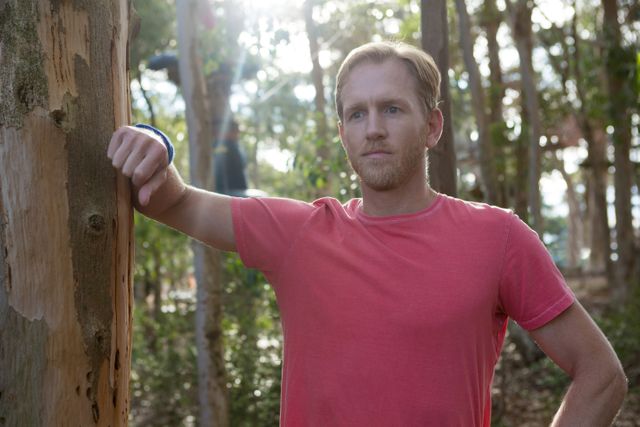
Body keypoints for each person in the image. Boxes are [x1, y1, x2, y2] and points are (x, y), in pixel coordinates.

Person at [108, 41, 627, 426]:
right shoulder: (300, 234)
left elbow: (601, 375)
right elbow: (171, 200)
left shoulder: (499, 238)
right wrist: (152, 143)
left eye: (392, 109)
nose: (373, 127)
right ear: (343, 134)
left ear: (433, 126)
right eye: (357, 114)